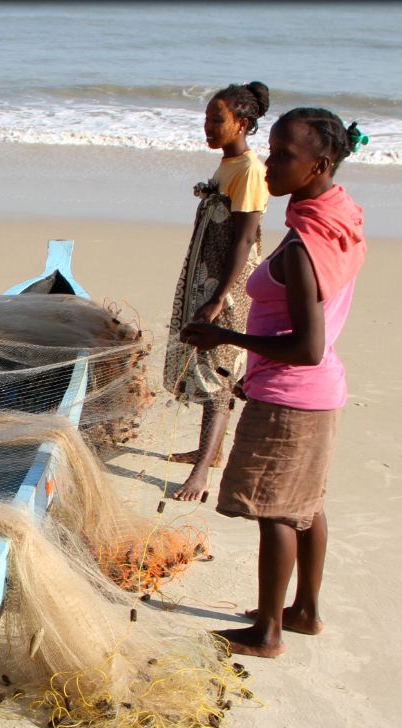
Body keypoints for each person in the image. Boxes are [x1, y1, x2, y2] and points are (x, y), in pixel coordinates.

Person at [181, 109, 368, 658]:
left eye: (285, 155)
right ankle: (304, 611)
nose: (270, 163)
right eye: (273, 150)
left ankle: (266, 632)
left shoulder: (304, 246)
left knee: (277, 513)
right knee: (306, 504)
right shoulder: (339, 214)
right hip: (316, 393)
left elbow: (305, 349)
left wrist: (226, 340)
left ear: (320, 165)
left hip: (293, 397)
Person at [163, 82, 272, 501]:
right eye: (207, 119)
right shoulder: (228, 164)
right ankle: (210, 451)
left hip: (225, 285)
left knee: (217, 372)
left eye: (217, 120)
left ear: (242, 123)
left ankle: (202, 473)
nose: (208, 127)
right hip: (205, 277)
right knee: (205, 364)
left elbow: (244, 240)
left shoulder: (248, 171)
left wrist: (218, 297)